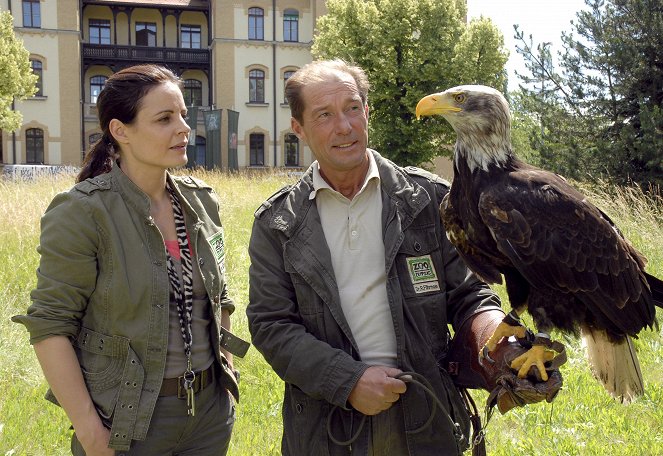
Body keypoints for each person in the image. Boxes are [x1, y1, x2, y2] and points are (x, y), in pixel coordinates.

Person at [246, 59, 562, 455]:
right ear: (299, 129)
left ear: (368, 112)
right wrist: (348, 382)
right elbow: (272, 325)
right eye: (324, 115)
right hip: (327, 431)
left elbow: (470, 298)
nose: (344, 126)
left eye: (352, 108)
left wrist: (498, 348)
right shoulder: (278, 223)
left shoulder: (431, 200)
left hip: (428, 423)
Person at [12, 64, 247, 455]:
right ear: (120, 131)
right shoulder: (83, 212)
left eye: (183, 116)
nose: (184, 128)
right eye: (164, 118)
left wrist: (225, 364)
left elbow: (220, 294)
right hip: (128, 422)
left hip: (209, 416)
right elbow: (50, 326)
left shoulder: (203, 201)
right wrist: (90, 432)